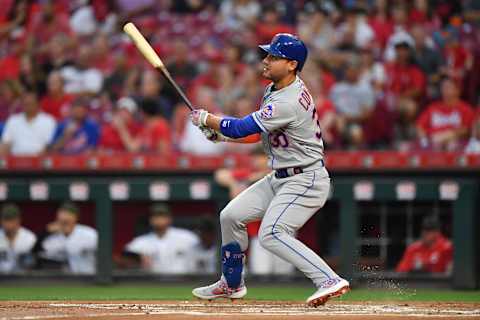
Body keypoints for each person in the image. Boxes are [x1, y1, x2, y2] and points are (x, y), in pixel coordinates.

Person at [190, 33, 349, 307]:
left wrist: (209, 119)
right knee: (231, 216)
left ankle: (328, 279)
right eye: (267, 55)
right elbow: (258, 133)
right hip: (280, 176)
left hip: (306, 178)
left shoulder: (288, 99)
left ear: (291, 64)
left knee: (272, 233)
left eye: (273, 57)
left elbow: (241, 126)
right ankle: (231, 283)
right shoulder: (274, 90)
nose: (265, 61)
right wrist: (221, 137)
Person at [124, 203, 200, 274]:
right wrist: (138, 261)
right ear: (150, 219)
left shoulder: (187, 237)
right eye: (155, 216)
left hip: (184, 282)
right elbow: (125, 260)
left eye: (162, 215)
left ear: (169, 218)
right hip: (153, 284)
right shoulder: (140, 242)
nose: (158, 219)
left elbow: (202, 255)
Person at [416, 77, 475, 151]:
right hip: (433, 144)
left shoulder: (465, 109)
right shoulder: (433, 107)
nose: (445, 90)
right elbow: (420, 125)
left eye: (448, 87)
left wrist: (447, 135)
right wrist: (424, 141)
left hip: (457, 143)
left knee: (452, 145)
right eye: (443, 88)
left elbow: (467, 130)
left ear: (458, 90)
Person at [39, 202, 97, 274]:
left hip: (88, 277)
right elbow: (37, 254)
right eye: (62, 213)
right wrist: (45, 232)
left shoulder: (90, 235)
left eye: (68, 214)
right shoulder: (49, 238)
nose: (64, 217)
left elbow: (105, 257)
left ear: (76, 217)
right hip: (60, 281)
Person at [0, 91, 56, 156]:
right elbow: (6, 143)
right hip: (15, 160)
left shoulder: (48, 121)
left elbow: (48, 146)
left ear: (38, 104)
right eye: (25, 104)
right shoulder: (13, 120)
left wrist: (34, 161)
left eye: (30, 104)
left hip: (38, 160)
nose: (28, 106)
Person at [0, 204, 36, 273]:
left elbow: (32, 265)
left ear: (18, 220)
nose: (8, 223)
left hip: (22, 279)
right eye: (6, 219)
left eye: (11, 219)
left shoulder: (30, 238)